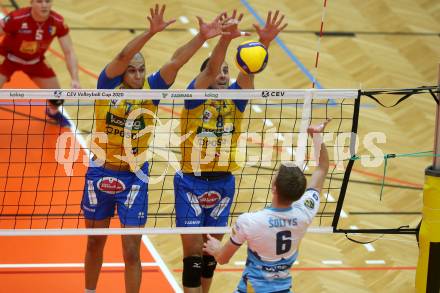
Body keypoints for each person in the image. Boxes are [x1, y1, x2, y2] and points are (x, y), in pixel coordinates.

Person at [80, 4, 230, 293]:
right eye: (132, 71)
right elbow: (122, 56)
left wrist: (202, 38)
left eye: (141, 70)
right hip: (100, 174)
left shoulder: (152, 88)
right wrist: (150, 33)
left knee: (131, 251)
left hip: (135, 178)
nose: (137, 75)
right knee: (94, 241)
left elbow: (176, 62)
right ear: (123, 73)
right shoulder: (106, 86)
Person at [174, 10, 287, 293]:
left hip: (223, 183)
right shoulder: (194, 98)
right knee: (193, 258)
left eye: (227, 70)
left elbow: (248, 70)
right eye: (219, 70)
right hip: (191, 181)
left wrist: (264, 44)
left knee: (210, 255)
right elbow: (210, 70)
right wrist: (224, 39)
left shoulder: (236, 100)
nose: (223, 75)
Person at [203, 119, 332, 293]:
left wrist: (216, 248)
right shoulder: (305, 211)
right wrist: (316, 136)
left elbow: (223, 258)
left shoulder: (250, 221)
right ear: (300, 193)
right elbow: (322, 168)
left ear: (274, 187)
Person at [0, 0, 80, 126]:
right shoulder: (16, 18)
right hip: (8, 58)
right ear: (31, 3)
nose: (44, 5)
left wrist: (75, 79)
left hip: (35, 62)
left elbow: (69, 51)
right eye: (39, 1)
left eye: (47, 1)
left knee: (57, 97)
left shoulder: (57, 22)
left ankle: (52, 112)